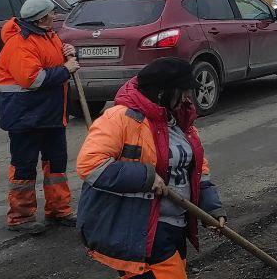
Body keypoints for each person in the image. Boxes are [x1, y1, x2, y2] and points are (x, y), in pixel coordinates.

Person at [76, 57, 226, 279]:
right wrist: (145, 177)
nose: (187, 97)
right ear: (162, 92)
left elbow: (197, 170)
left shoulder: (179, 122)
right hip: (141, 228)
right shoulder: (120, 118)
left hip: (176, 226)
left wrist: (211, 207)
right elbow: (90, 164)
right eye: (182, 91)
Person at [0, 0, 78, 234]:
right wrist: (65, 69)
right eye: (52, 13)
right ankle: (20, 217)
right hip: (25, 117)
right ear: (42, 18)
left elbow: (52, 62)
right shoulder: (19, 44)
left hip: (49, 115)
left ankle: (59, 210)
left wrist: (68, 54)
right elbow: (33, 79)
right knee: (24, 167)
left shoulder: (48, 36)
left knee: (56, 165)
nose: (55, 16)